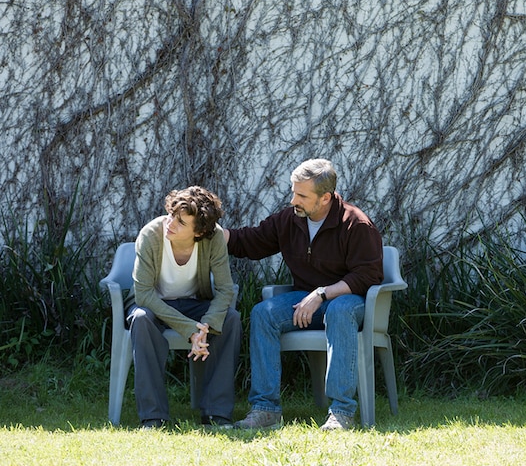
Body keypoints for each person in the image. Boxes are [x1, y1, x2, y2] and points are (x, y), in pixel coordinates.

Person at [227, 158, 383, 431]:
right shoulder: (290, 220)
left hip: (350, 302)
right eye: (293, 191)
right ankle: (266, 410)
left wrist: (322, 294)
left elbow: (368, 276)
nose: (293, 200)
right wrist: (215, 234)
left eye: (301, 195)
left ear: (325, 198)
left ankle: (342, 412)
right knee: (263, 313)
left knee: (340, 309)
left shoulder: (355, 224)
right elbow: (251, 242)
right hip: (305, 300)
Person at [126, 186, 241, 429]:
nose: (170, 223)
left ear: (199, 232)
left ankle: (216, 414)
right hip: (153, 305)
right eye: (171, 215)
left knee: (230, 318)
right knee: (141, 319)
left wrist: (205, 325)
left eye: (180, 222)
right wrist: (190, 329)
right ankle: (153, 418)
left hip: (194, 305)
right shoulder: (151, 234)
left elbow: (225, 289)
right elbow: (144, 294)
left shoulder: (215, 237)